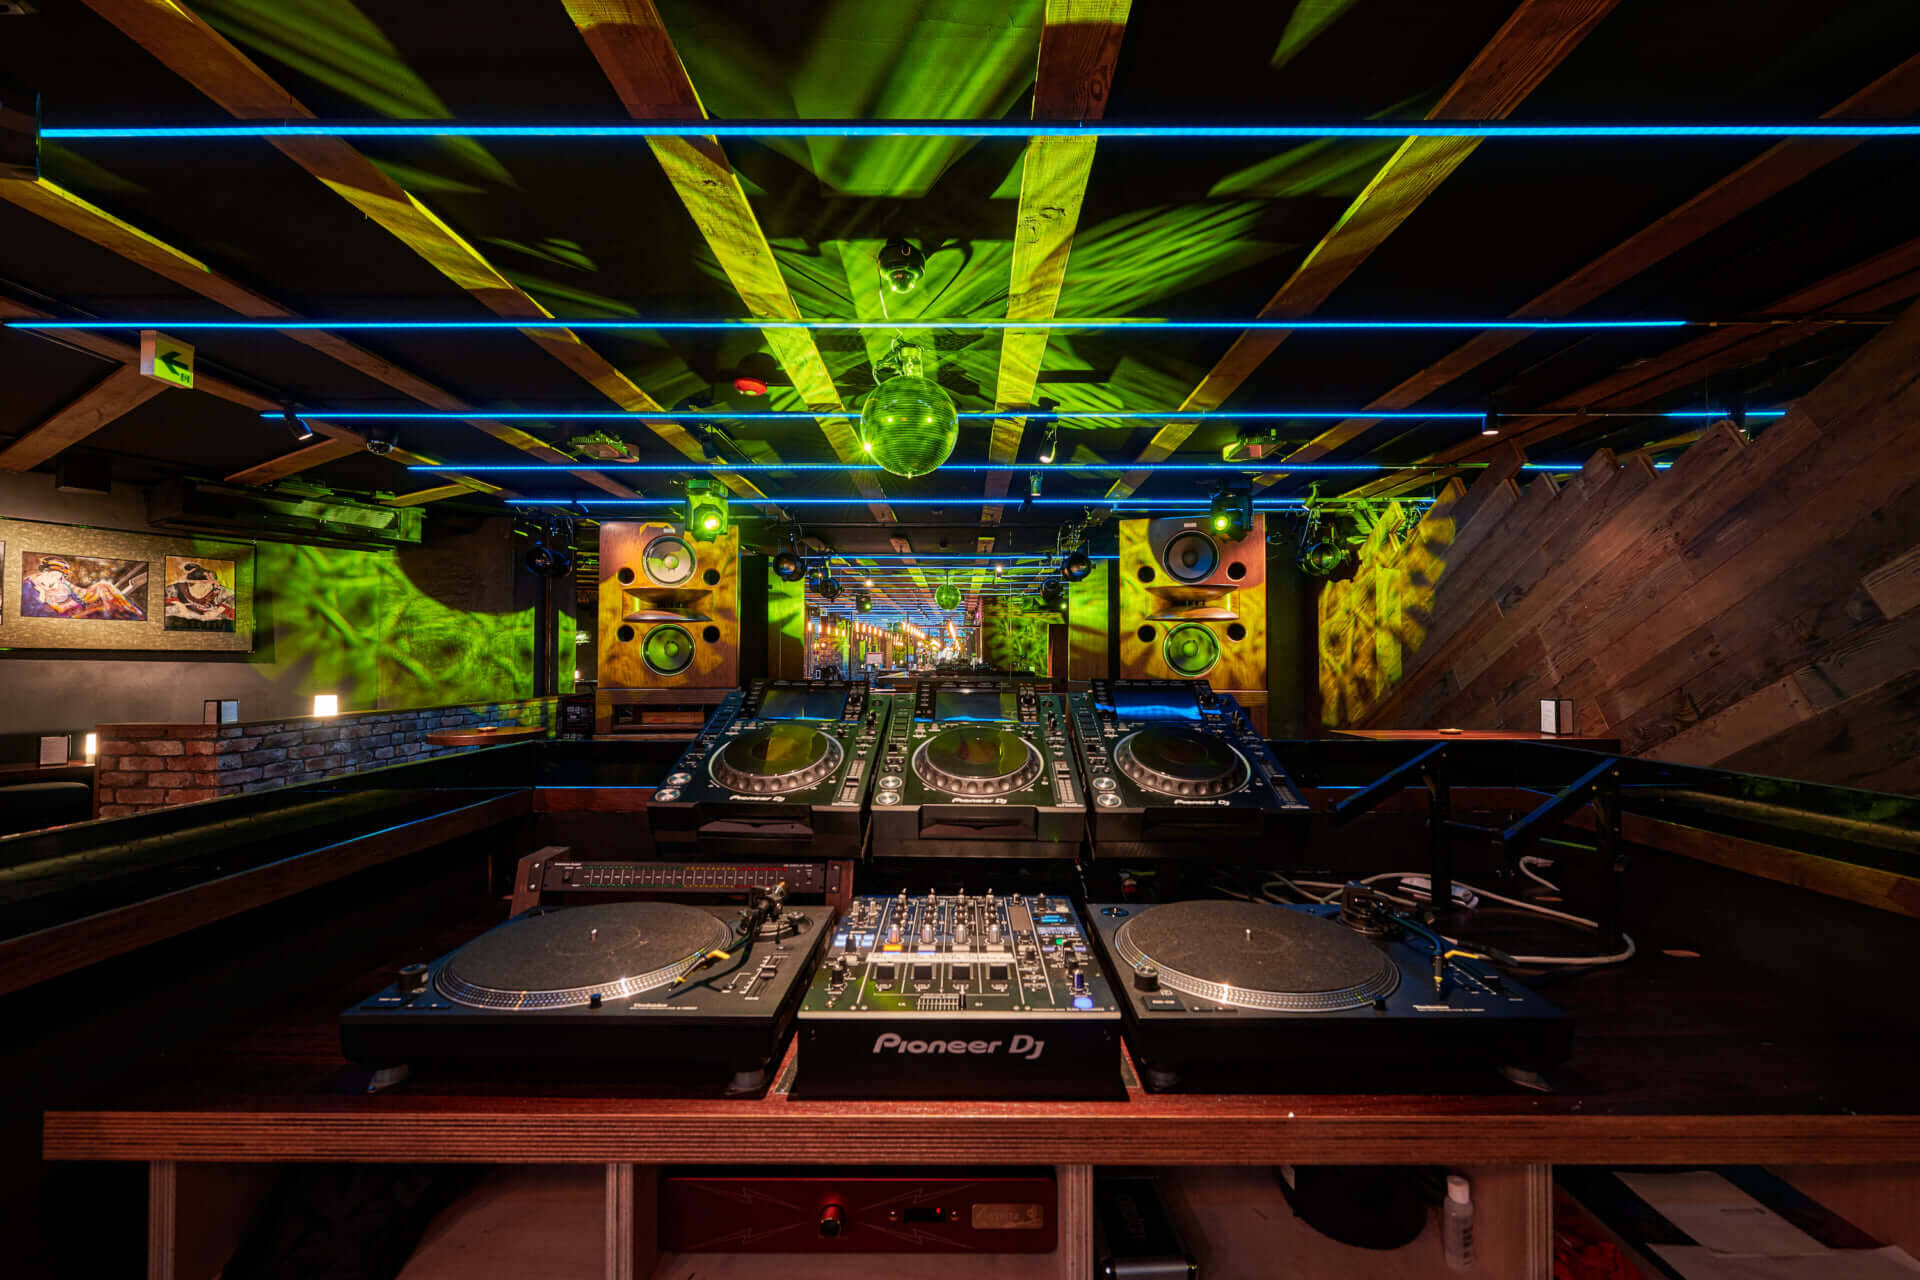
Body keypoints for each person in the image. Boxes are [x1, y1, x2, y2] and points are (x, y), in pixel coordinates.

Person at [21, 556, 146, 620]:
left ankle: (137, 616)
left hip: (77, 610)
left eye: (59, 577)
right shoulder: (30, 585)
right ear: (44, 572)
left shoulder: (62, 583)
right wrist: (43, 598)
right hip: (63, 617)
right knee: (106, 610)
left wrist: (88, 604)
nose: (56, 580)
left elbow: (79, 596)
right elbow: (33, 613)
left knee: (104, 586)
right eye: (53, 575)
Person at [163, 561, 237, 627]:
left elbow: (233, 597)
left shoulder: (219, 592)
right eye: (202, 585)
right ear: (189, 585)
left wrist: (217, 611)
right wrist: (181, 606)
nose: (207, 588)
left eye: (212, 584)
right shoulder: (178, 588)